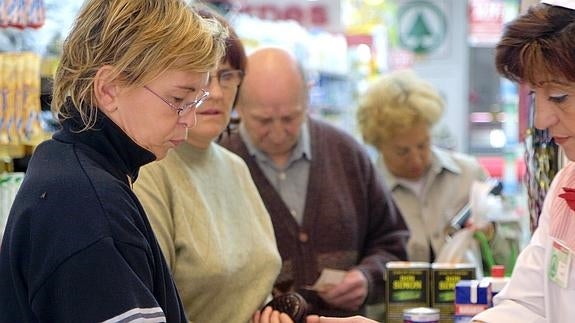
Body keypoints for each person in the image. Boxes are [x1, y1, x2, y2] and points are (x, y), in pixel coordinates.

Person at [0, 0, 227, 321]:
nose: (189, 119)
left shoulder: (71, 169)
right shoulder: (85, 204)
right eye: (178, 99)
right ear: (108, 89)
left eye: (196, 101)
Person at [219, 47, 410, 317]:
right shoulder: (220, 164)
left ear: (308, 98)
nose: (277, 133)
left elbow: (392, 242)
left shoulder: (346, 153)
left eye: (289, 118)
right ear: (238, 106)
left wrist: (367, 278)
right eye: (262, 120)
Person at [133, 5, 284, 322]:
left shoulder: (235, 166)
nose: (213, 92)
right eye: (200, 76)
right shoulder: (147, 171)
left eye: (227, 76)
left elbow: (256, 282)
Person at [356, 69, 520, 275]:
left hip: (470, 305)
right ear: (378, 145)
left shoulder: (469, 175)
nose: (416, 159)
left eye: (423, 145)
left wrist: (490, 233)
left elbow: (514, 255)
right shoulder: (365, 192)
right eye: (402, 152)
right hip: (393, 307)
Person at [472, 1, 575, 321]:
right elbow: (528, 304)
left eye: (559, 97)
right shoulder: (566, 184)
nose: (541, 120)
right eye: (535, 97)